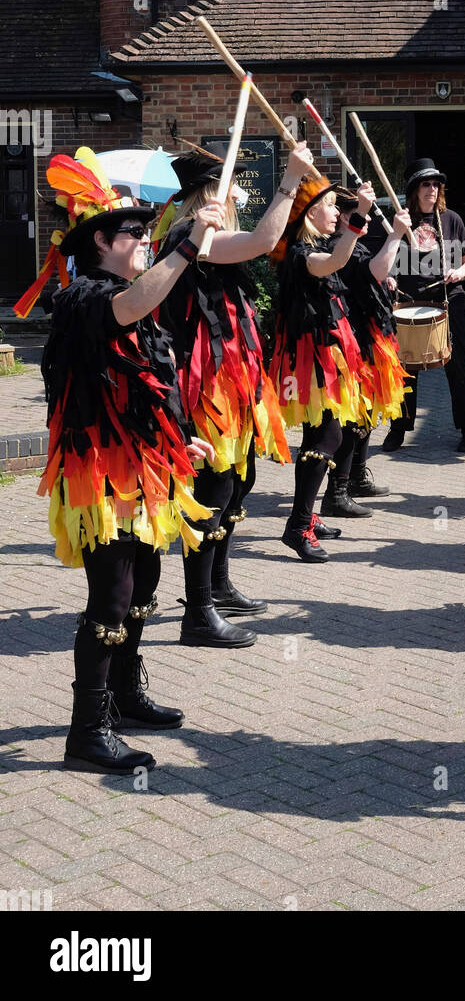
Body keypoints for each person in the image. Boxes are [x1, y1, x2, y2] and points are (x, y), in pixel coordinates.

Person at [18, 146, 226, 775]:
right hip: (101, 473)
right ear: (102, 240)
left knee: (143, 589)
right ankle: (88, 731)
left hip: (145, 467)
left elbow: (147, 386)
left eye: (145, 232)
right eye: (135, 233)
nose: (143, 240)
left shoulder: (126, 297)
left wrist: (180, 439)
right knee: (109, 598)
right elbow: (130, 308)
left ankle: (127, 697)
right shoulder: (84, 297)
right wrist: (187, 246)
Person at [154, 140, 315, 648]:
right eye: (229, 191)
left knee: (236, 482)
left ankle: (217, 586)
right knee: (212, 491)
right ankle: (197, 611)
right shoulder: (190, 235)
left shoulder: (204, 235)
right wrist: (290, 180)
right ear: (207, 196)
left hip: (231, 380)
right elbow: (264, 241)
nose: (237, 200)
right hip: (203, 385)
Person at [269, 173, 376, 561]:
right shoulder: (301, 253)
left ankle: (306, 518)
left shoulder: (309, 246)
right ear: (311, 212)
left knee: (324, 434)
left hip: (322, 355)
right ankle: (297, 526)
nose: (336, 212)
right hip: (311, 358)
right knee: (326, 436)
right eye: (331, 206)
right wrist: (359, 218)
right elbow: (336, 260)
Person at [320, 205, 413, 519]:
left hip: (365, 337)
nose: (370, 218)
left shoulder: (350, 244)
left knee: (366, 415)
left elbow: (372, 276)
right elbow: (371, 270)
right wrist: (396, 234)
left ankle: (357, 477)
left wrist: (383, 284)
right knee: (351, 419)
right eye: (360, 213)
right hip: (351, 343)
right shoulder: (337, 246)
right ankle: (337, 493)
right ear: (348, 217)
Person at [383, 158, 465, 454]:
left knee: (459, 364)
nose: (433, 189)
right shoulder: (401, 222)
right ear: (414, 189)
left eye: (436, 184)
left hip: (449, 300)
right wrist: (388, 277)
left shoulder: (452, 220)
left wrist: (460, 273)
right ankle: (399, 429)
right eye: (426, 184)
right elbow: (386, 259)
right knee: (406, 368)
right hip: (411, 303)